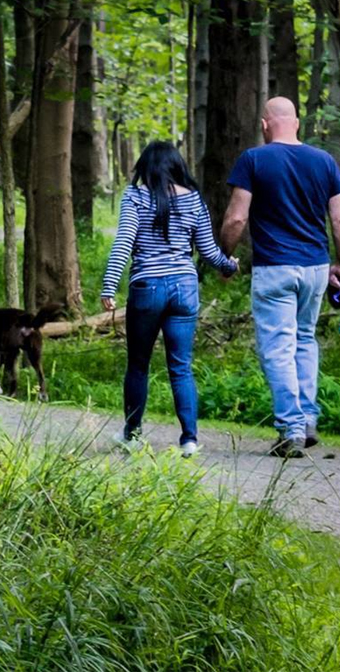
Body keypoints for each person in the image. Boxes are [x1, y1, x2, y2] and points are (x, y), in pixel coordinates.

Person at [220, 96, 340, 458]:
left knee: (278, 347)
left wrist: (222, 255)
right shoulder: (324, 161)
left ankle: (291, 427)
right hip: (315, 268)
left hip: (275, 267)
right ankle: (308, 418)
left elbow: (235, 218)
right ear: (297, 122)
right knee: (305, 340)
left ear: (265, 124)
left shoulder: (254, 160)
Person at [101, 141, 238, 458]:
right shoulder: (194, 200)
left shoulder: (135, 197)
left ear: (145, 167)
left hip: (147, 286)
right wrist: (230, 267)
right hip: (185, 288)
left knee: (138, 365)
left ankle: (133, 436)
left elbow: (124, 240)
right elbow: (208, 251)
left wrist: (109, 285)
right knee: (181, 367)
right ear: (177, 167)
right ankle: (189, 440)